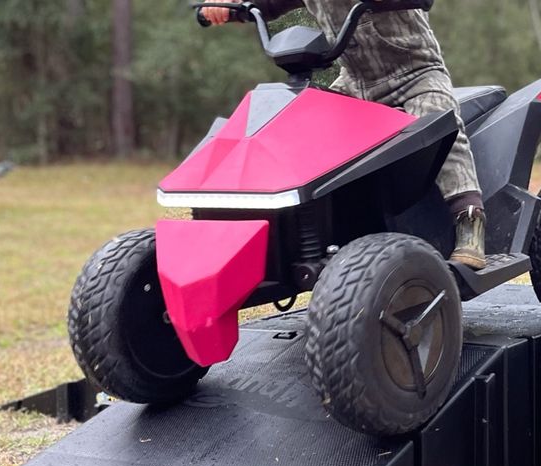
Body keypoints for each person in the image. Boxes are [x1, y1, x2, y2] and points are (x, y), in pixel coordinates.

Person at [203, 0, 487, 269]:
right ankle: (298, 233)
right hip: (355, 83)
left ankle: (469, 220)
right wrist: (233, 7)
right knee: (303, 125)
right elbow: (268, 3)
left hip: (416, 74)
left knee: (439, 126)